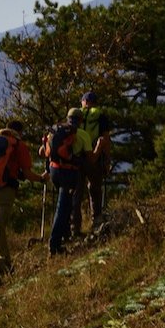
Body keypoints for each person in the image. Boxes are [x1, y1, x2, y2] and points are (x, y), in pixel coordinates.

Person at [0, 122, 46, 280]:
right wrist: (41, 179)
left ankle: (5, 264)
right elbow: (27, 173)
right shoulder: (19, 145)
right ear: (19, 132)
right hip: (4, 192)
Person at [45, 109, 91, 255]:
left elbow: (43, 151)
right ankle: (54, 245)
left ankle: (64, 236)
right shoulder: (82, 134)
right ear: (81, 120)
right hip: (69, 172)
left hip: (54, 171)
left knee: (65, 204)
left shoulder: (54, 131)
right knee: (63, 207)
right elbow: (90, 158)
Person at [74, 91, 113, 234]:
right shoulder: (100, 116)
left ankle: (75, 229)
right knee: (95, 190)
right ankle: (96, 223)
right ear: (95, 102)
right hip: (95, 158)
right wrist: (107, 159)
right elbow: (106, 139)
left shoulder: (76, 115)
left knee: (76, 192)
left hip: (77, 158)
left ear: (83, 101)